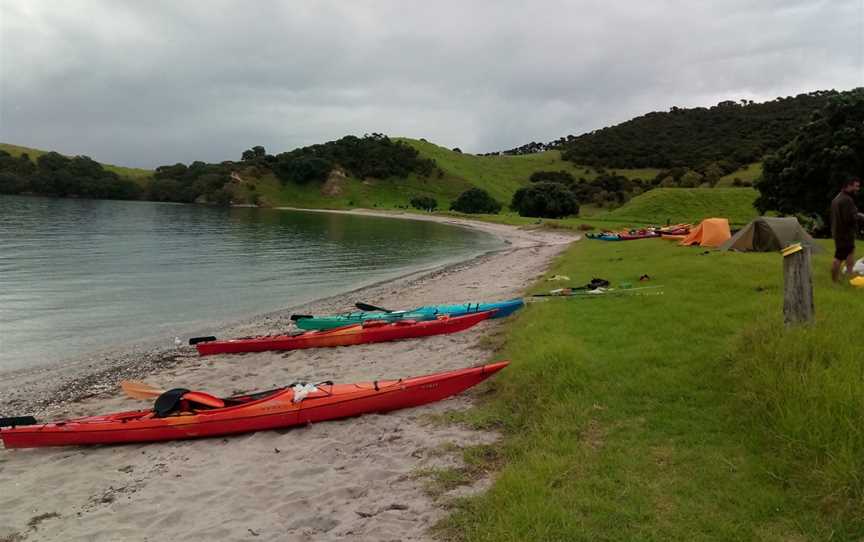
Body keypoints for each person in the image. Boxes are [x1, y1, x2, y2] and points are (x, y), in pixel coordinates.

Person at [830, 177, 864, 282]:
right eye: (856, 186)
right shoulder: (846, 200)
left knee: (850, 252)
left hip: (840, 232)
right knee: (838, 258)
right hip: (844, 234)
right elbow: (849, 218)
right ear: (849, 185)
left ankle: (850, 275)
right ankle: (834, 281)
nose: (858, 189)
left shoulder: (838, 198)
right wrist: (861, 216)